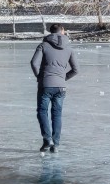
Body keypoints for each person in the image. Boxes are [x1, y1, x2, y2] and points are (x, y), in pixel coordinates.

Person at [30, 23, 78, 153]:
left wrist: (39, 77)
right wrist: (63, 78)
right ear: (62, 31)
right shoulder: (69, 48)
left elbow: (34, 63)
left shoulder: (43, 45)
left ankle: (47, 139)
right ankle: (55, 145)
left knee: (42, 111)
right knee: (57, 114)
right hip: (61, 87)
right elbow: (75, 70)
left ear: (50, 32)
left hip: (45, 85)